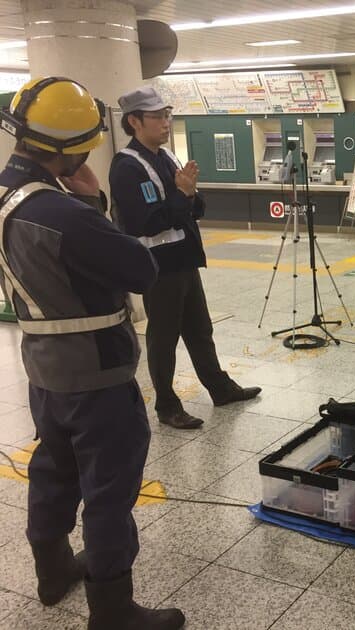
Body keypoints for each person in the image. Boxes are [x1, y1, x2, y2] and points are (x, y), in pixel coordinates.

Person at [0, 77, 184, 628]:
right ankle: (113, 607)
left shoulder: (8, 195)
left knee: (53, 469)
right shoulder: (64, 213)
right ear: (73, 146)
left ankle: (53, 569)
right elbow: (140, 268)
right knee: (109, 486)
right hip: (97, 369)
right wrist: (91, 202)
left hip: (44, 367)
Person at [109, 86, 260, 430]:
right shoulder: (127, 167)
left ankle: (219, 388)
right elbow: (144, 221)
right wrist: (183, 196)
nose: (165, 122)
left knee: (199, 329)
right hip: (158, 265)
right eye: (157, 116)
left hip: (184, 258)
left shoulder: (167, 157)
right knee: (164, 336)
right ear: (134, 121)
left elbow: (193, 206)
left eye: (167, 115)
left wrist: (188, 196)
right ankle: (166, 404)